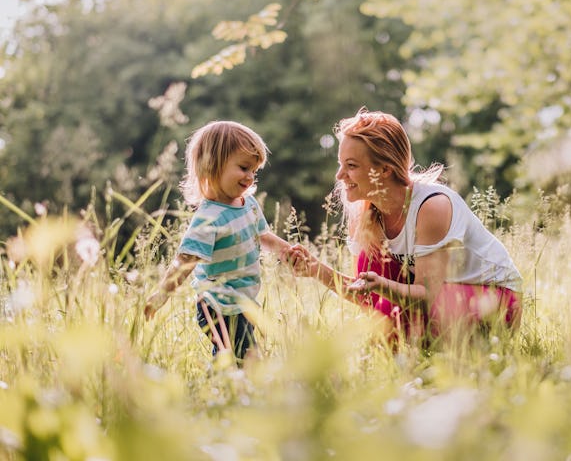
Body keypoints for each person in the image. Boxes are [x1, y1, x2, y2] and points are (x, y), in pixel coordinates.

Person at [287, 109, 522, 346]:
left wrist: (382, 288)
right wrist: (316, 269)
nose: (340, 175)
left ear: (385, 170)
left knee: (392, 318)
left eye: (351, 165)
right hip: (445, 300)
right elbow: (367, 296)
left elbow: (428, 297)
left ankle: (438, 356)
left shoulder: (432, 206)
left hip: (494, 300)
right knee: (382, 315)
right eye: (341, 164)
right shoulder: (367, 214)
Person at [144, 120, 291, 363]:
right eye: (244, 167)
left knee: (232, 359)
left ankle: (221, 392)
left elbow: (263, 236)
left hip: (243, 301)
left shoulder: (248, 204)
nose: (250, 177)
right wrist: (160, 296)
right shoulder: (208, 217)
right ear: (212, 165)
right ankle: (227, 395)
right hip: (217, 304)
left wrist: (288, 250)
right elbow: (185, 262)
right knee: (245, 358)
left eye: (254, 171)